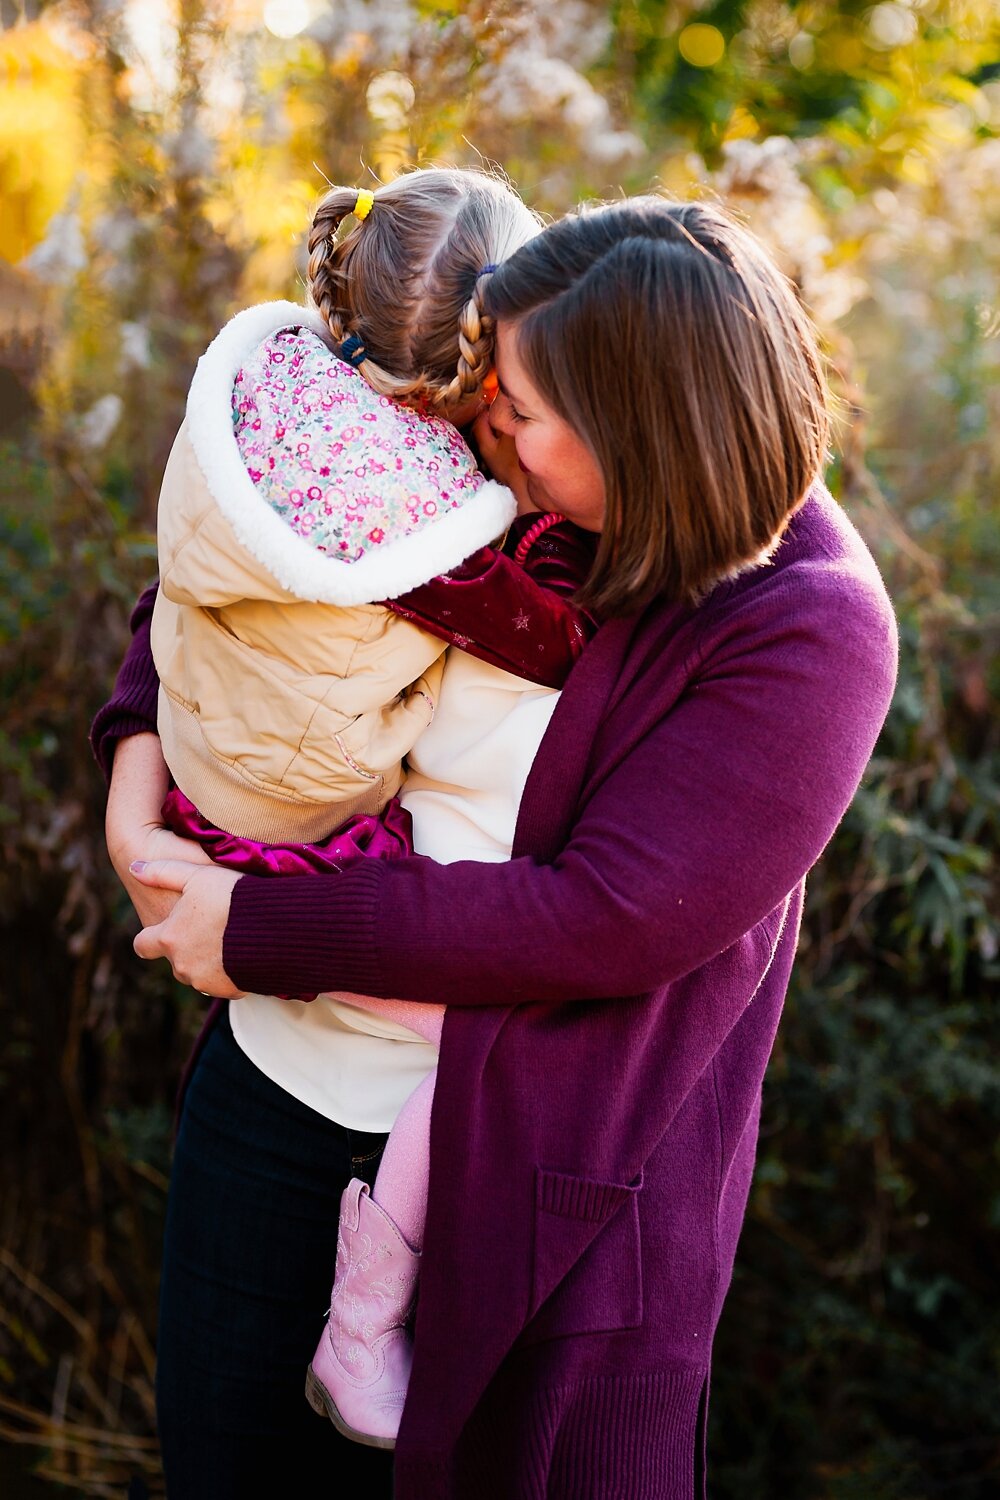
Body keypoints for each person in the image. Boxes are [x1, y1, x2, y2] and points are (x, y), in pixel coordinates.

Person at [96, 196, 898, 1500]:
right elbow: (242, 564)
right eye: (489, 403)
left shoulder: (803, 627)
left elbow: (608, 916)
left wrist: (257, 929)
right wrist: (137, 783)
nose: (481, 430)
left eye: (517, 415)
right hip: (272, 1110)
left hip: (540, 1207)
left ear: (643, 436)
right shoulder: (516, 420)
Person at [139, 165, 599, 1453]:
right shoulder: (429, 523)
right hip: (279, 1053)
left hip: (253, 875)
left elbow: (187, 597)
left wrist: (151, 789)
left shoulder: (271, 398)